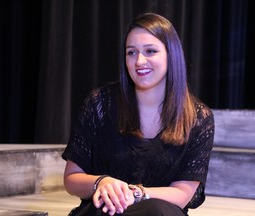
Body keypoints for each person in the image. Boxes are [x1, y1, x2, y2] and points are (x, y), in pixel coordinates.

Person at [62, 12, 215, 216]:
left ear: (172, 55)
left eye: (150, 51)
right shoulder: (98, 104)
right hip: (104, 211)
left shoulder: (198, 118)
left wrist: (134, 194)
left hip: (159, 213)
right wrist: (102, 182)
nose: (139, 61)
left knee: (156, 210)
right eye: (131, 52)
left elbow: (182, 194)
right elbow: (72, 178)